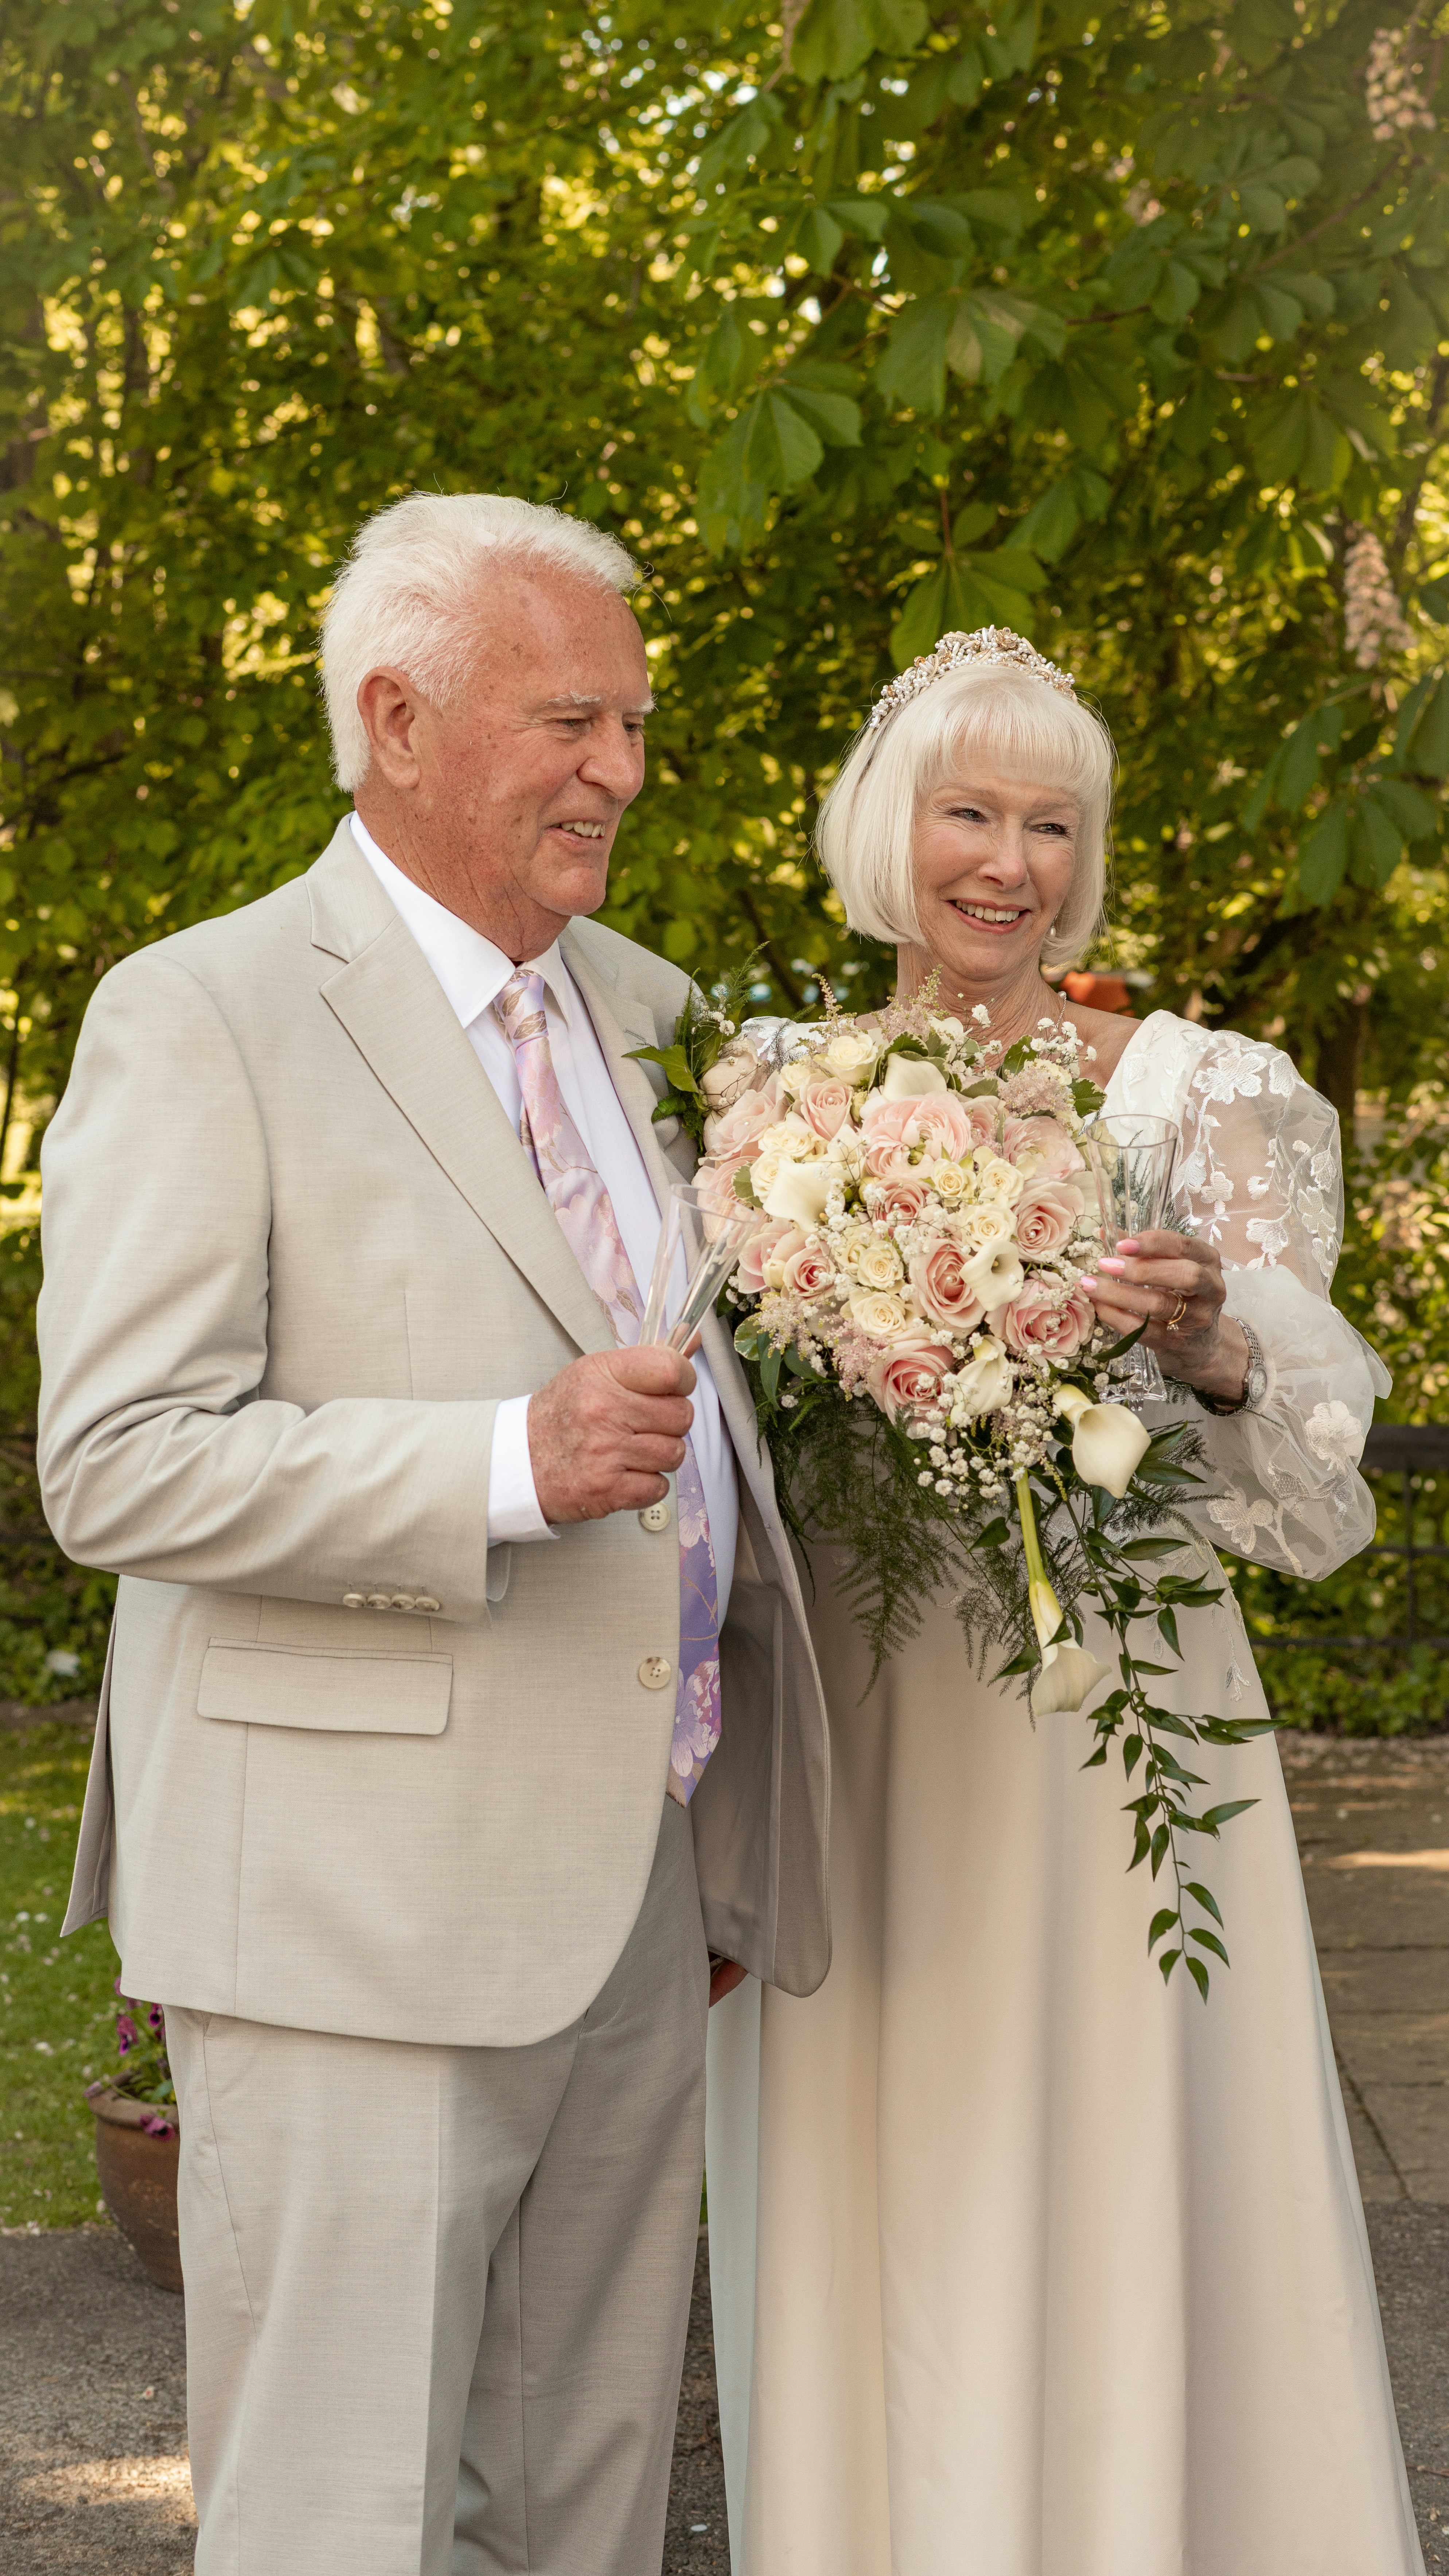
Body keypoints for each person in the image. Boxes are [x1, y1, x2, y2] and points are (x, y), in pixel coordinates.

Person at [37, 491, 828, 2576]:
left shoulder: (656, 1013)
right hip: (344, 1923)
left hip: (640, 1895)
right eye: (573, 720)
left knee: (578, 2512)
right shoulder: (200, 1015)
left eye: (636, 725)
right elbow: (116, 1460)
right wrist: (500, 1460)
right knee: (341, 2520)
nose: (623, 772)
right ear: (396, 716)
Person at [704, 630, 1423, 2576]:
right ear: (886, 829)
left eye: (1048, 822)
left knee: (1122, 2141)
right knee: (889, 2151)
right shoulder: (774, 1093)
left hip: (1117, 1729)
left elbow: (1305, 1491)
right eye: (968, 810)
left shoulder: (1204, 1092)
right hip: (861, 1721)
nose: (1006, 860)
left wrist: (1202, 1346)